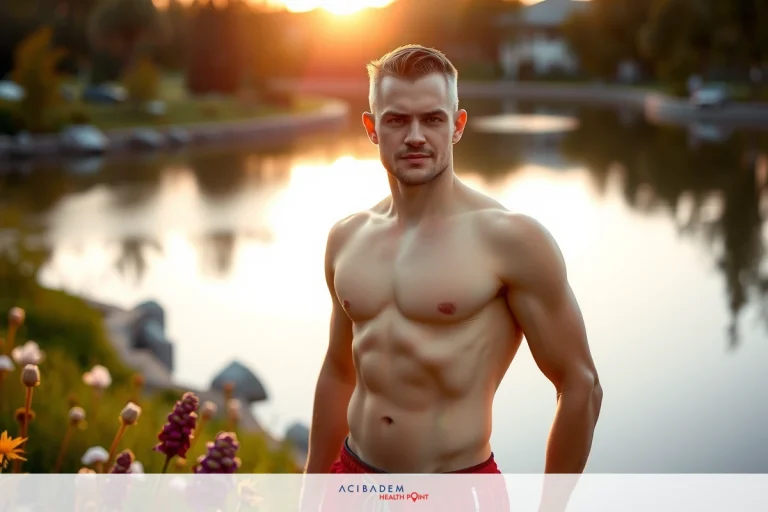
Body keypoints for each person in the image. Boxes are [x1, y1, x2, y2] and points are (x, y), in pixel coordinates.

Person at [303, 44, 603, 510]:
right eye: (397, 120)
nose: (415, 136)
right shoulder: (347, 238)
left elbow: (580, 384)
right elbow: (339, 372)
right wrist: (311, 491)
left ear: (457, 125)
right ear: (371, 128)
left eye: (433, 119)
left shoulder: (509, 239)